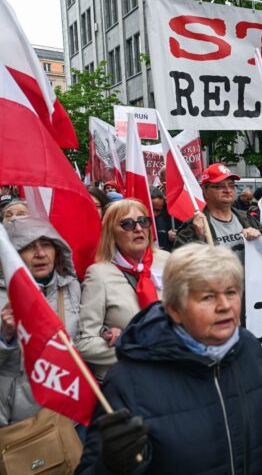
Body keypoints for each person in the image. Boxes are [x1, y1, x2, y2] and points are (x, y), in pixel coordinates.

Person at [75, 244, 262, 474]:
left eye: (231, 292)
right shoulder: (127, 381)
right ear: (174, 309)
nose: (225, 306)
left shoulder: (248, 347)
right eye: (207, 297)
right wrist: (110, 467)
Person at [1, 217, 83, 457]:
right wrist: (5, 336)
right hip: (21, 422)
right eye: (28, 246)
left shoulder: (70, 288)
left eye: (46, 244)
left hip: (69, 414)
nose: (39, 254)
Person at [75, 199, 170, 380]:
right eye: (127, 224)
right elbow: (84, 342)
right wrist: (131, 347)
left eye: (143, 221)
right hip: (129, 381)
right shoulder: (98, 274)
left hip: (171, 373)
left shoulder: (168, 261)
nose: (138, 228)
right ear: (111, 233)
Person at [174, 163, 262, 261]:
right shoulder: (195, 226)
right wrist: (199, 238)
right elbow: (180, 264)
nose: (228, 190)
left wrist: (260, 234)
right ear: (205, 191)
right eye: (220, 186)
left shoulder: (247, 218)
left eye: (231, 186)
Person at [150, 187, 177, 252]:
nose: (155, 214)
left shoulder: (164, 219)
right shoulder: (138, 224)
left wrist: (169, 237)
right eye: (152, 209)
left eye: (158, 210)